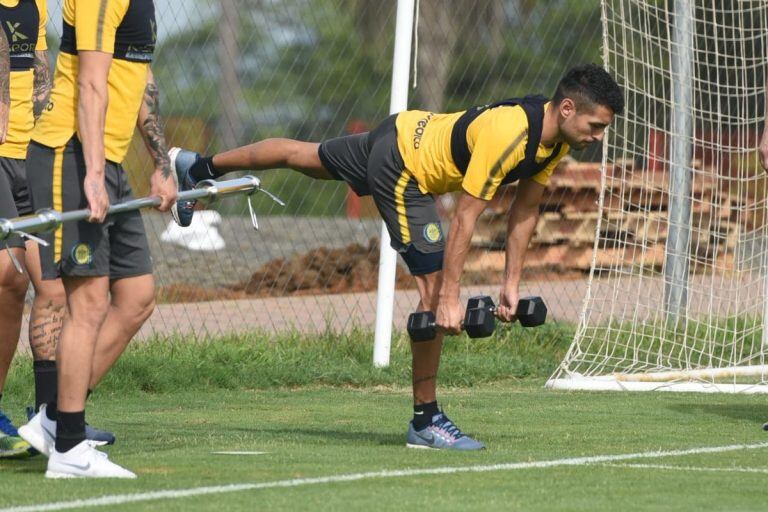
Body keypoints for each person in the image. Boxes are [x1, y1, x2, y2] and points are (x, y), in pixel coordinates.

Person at [170, 63, 624, 450]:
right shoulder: (512, 134)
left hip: (404, 129)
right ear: (567, 108)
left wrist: (511, 284)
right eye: (596, 126)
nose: (598, 137)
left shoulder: (556, 141)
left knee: (300, 155)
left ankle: (197, 167)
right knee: (431, 296)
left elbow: (525, 212)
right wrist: (449, 296)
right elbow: (465, 217)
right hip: (405, 171)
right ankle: (425, 421)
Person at [18, 0, 177, 478]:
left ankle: (53, 420)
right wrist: (89, 174)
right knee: (86, 303)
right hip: (72, 154)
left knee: (136, 296)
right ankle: (68, 445)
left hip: (107, 159)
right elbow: (90, 81)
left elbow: (141, 80)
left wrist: (162, 164)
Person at [0, 0, 50, 459]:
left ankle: (50, 416)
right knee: (8, 275)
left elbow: (40, 70)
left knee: (47, 284)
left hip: (30, 154)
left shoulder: (37, 5)